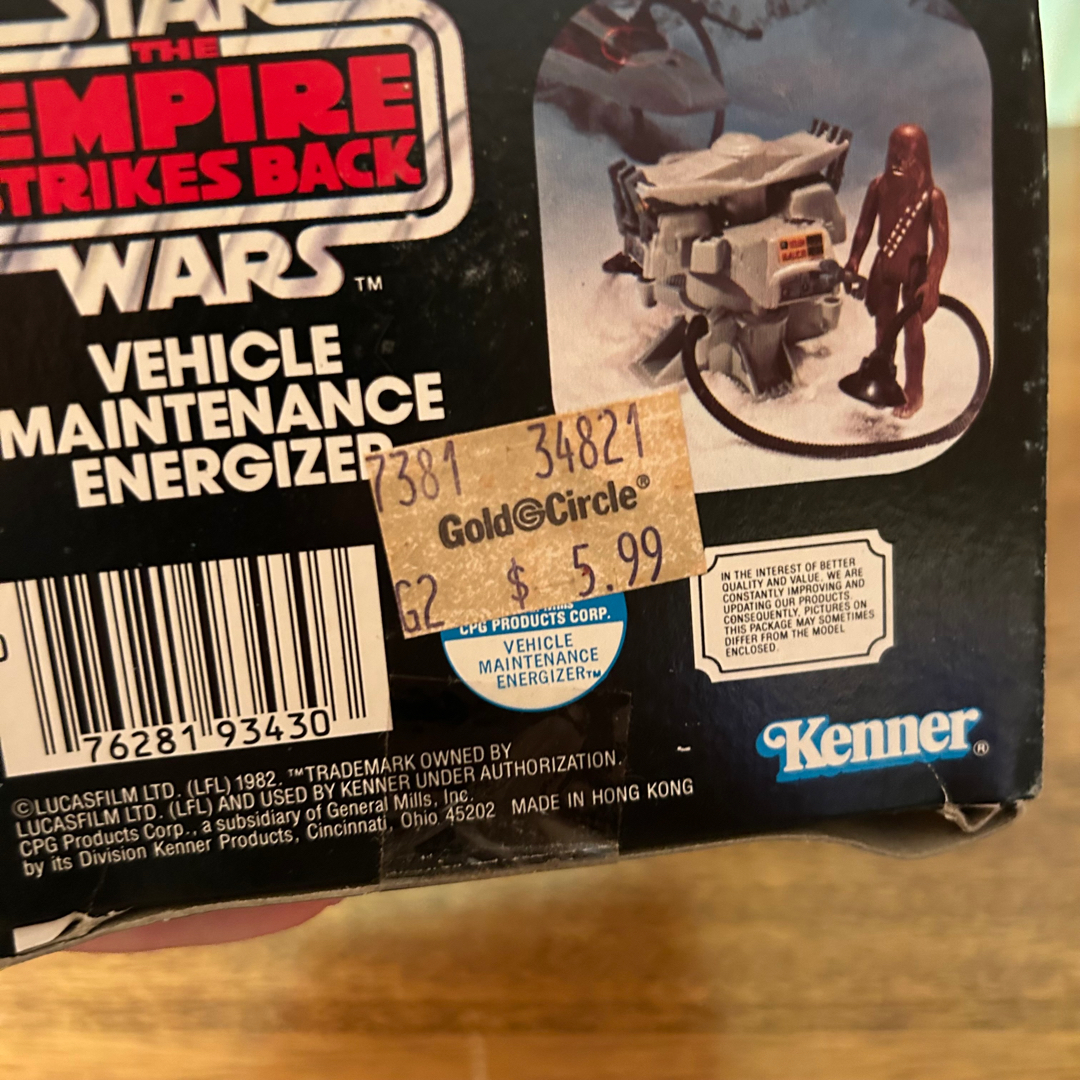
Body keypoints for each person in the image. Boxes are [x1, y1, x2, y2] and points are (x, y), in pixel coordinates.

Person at [845, 123, 950, 418]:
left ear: (920, 158)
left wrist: (932, 282)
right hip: (885, 265)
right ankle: (882, 382)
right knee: (884, 325)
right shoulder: (878, 187)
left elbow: (941, 245)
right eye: (894, 153)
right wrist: (854, 260)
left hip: (915, 268)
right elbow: (864, 228)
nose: (898, 161)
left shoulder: (933, 198)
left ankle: (914, 391)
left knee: (912, 328)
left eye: (906, 155)